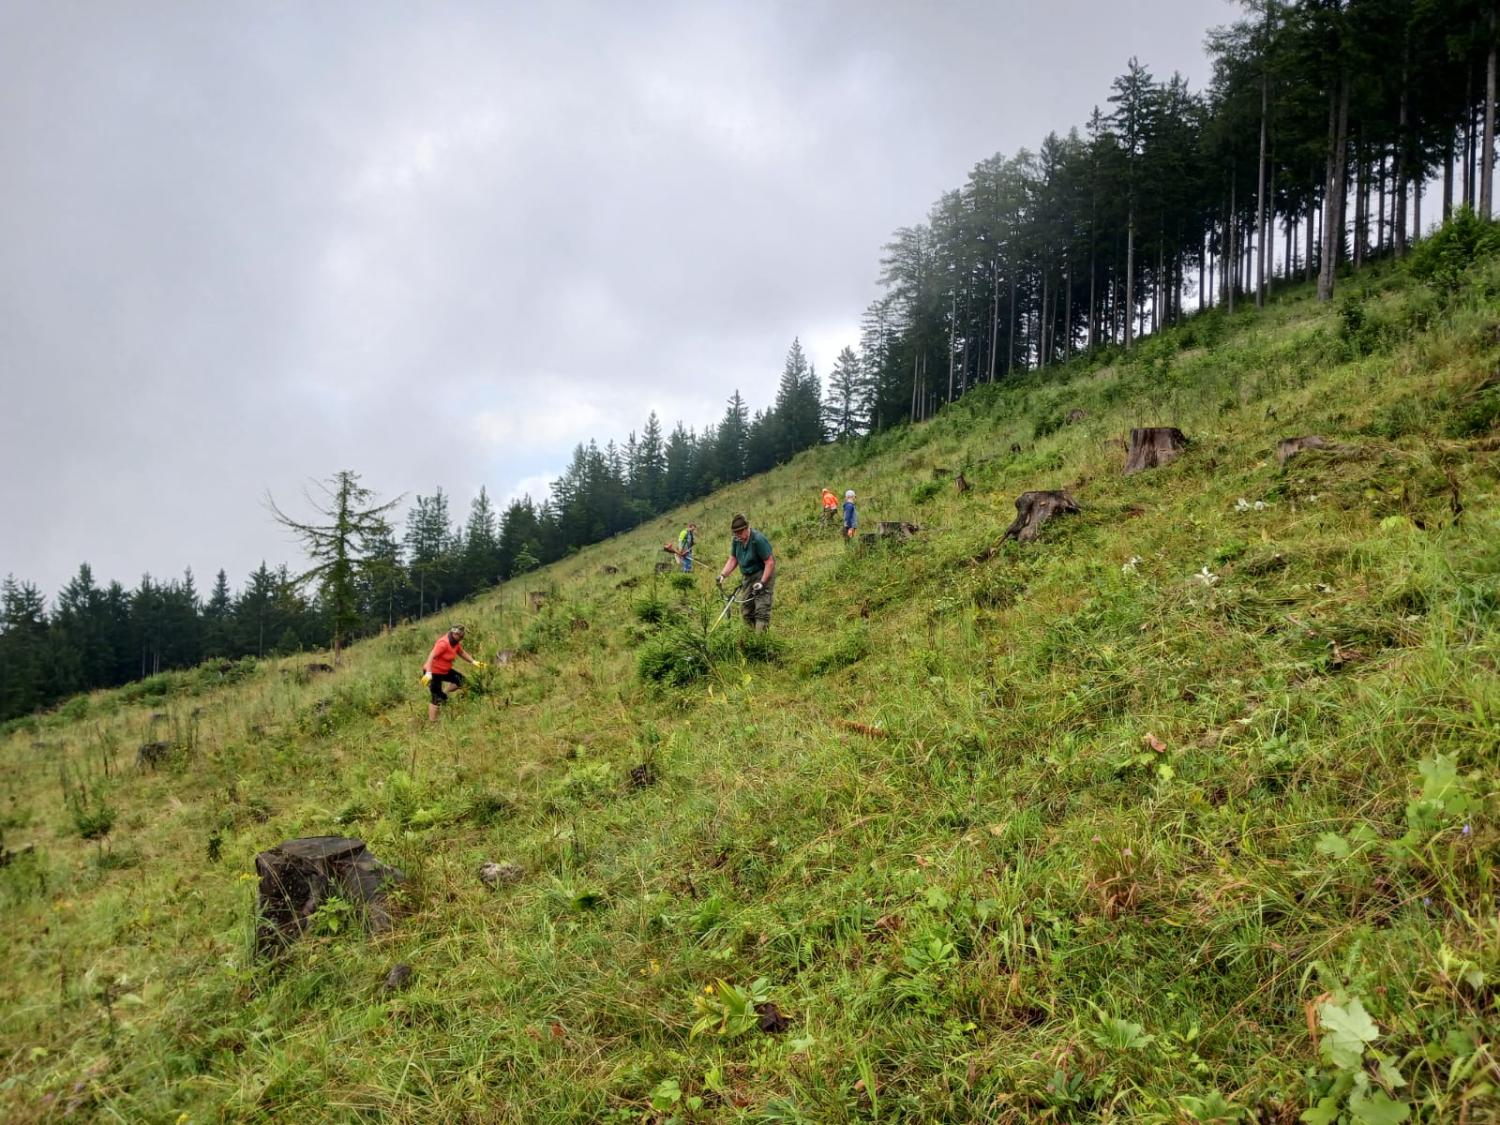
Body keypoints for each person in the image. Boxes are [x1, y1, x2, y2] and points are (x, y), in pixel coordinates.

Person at [716, 513, 776, 631]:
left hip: (763, 573)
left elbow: (770, 562)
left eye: (740, 532)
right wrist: (723, 575)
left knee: (761, 611)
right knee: (746, 611)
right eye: (735, 533)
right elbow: (733, 559)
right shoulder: (736, 540)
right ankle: (750, 639)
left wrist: (762, 583)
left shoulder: (758, 539)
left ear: (746, 528)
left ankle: (761, 643)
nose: (737, 536)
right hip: (748, 577)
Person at [422, 623, 483, 721]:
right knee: (436, 698)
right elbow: (431, 656)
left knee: (461, 681)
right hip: (433, 672)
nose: (461, 638)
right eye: (460, 636)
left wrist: (473, 661)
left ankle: (444, 692)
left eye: (462, 636)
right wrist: (428, 673)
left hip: (445, 671)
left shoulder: (455, 643)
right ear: (454, 633)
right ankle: (432, 722)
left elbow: (461, 653)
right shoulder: (443, 643)